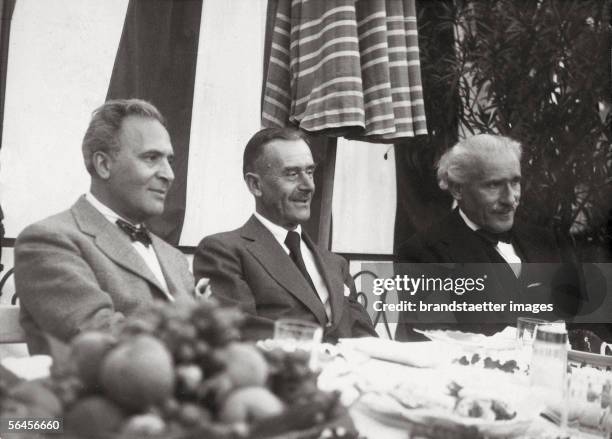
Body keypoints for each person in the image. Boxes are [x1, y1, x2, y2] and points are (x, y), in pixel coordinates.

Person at [14, 99, 196, 354]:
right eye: (151, 158)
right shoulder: (49, 241)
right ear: (104, 165)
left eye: (169, 160)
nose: (169, 174)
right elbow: (103, 339)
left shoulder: (173, 257)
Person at [193, 127, 377, 341]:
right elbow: (241, 335)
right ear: (255, 185)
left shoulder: (335, 264)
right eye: (292, 174)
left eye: (310, 172)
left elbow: (367, 339)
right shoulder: (224, 252)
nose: (308, 185)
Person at [395, 134, 583, 341]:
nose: (510, 199)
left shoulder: (548, 242)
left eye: (515, 182)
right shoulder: (423, 253)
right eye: (493, 185)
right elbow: (434, 343)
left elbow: (584, 325)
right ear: (458, 189)